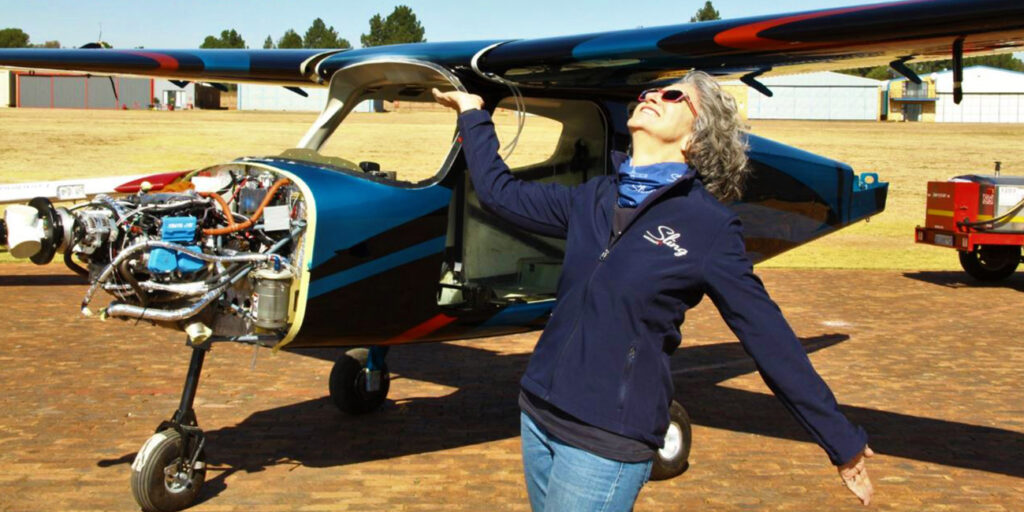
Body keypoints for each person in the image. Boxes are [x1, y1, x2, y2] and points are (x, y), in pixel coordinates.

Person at [432, 71, 874, 512]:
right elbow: (500, 193)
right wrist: (474, 114)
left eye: (673, 95)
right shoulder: (594, 197)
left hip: (606, 439)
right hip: (538, 413)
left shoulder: (709, 228)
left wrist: (838, 438)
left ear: (697, 139)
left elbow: (769, 338)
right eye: (647, 91)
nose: (651, 96)